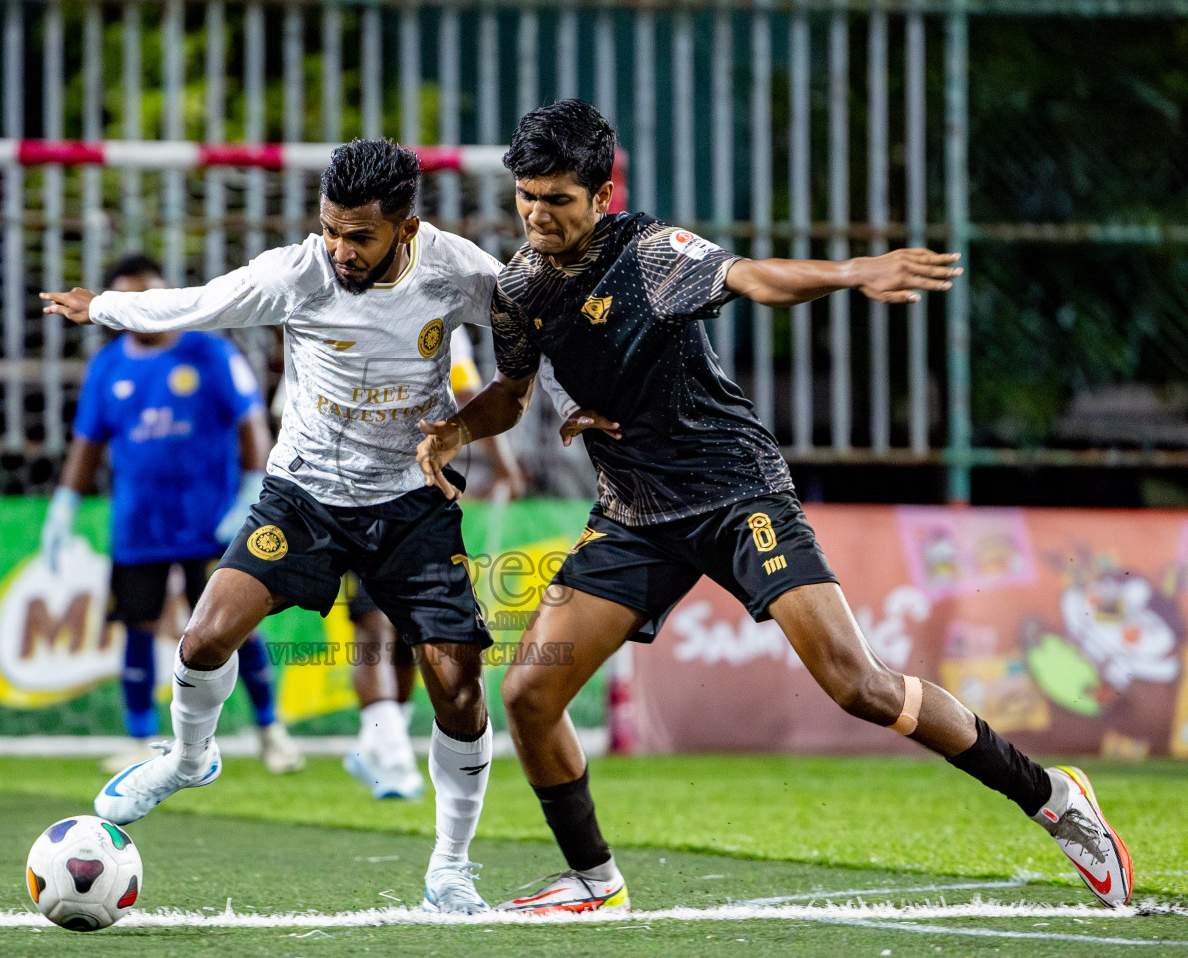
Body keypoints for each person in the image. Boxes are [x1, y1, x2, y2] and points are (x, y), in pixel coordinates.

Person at [416, 99, 1132, 914]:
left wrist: (851, 273)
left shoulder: (653, 253)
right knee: (529, 697)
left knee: (858, 685)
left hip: (734, 492)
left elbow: (750, 277)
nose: (539, 215)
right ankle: (595, 880)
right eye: (528, 197)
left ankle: (1054, 798)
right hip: (634, 513)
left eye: (558, 200)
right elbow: (510, 394)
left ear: (602, 196)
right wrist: (452, 434)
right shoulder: (518, 290)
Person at [41, 140, 503, 914]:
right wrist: (107, 309)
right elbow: (199, 301)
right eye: (329, 229)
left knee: (457, 688)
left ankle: (450, 869)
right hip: (304, 497)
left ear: (407, 227)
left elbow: (542, 322)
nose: (339, 250)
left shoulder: (457, 270)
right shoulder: (300, 272)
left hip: (410, 500)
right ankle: (191, 759)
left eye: (359, 236)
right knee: (204, 636)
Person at [43, 253, 305, 777]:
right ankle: (141, 739)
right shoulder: (108, 366)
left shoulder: (210, 352)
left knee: (236, 627)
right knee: (137, 626)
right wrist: (63, 506)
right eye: (127, 299)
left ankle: (271, 731)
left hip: (212, 524)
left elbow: (251, 423)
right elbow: (87, 444)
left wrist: (252, 490)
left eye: (148, 297)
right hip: (140, 525)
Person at [341, 326, 530, 802]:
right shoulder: (330, 314)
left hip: (419, 496)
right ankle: (393, 754)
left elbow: (466, 391)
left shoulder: (439, 318)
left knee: (407, 630)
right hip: (348, 494)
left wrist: (502, 462)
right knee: (372, 621)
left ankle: (380, 742)